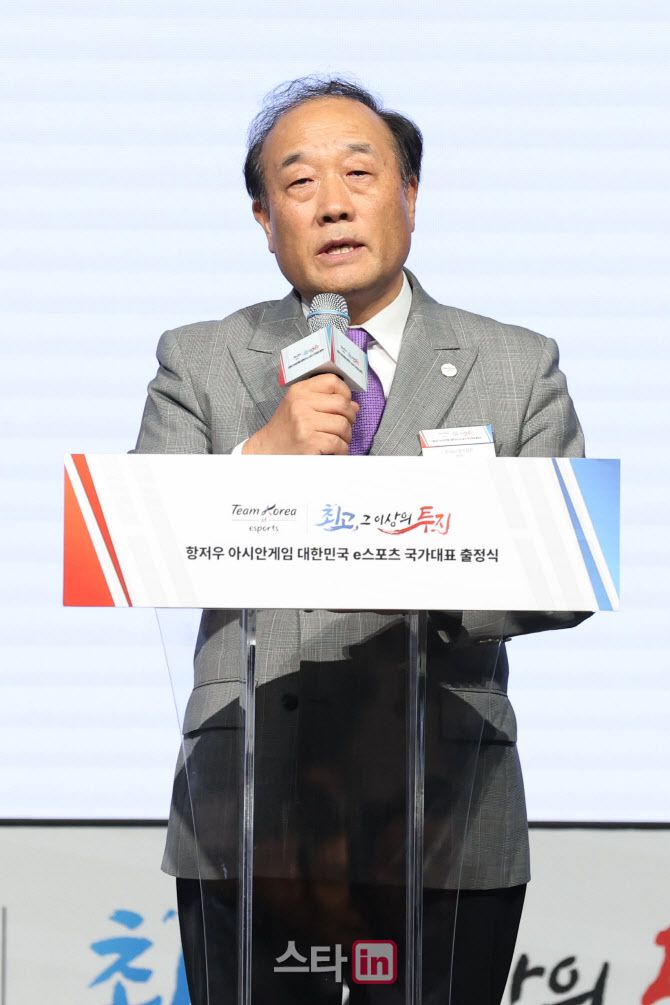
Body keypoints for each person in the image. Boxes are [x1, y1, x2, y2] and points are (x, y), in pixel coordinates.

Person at [134, 76, 589, 1005]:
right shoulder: (199, 358)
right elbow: (141, 544)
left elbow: (567, 567)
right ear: (264, 220)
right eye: (299, 183)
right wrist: (261, 457)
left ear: (410, 195)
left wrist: (418, 551)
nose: (333, 203)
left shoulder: (516, 362)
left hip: (444, 807)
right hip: (252, 808)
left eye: (360, 172)